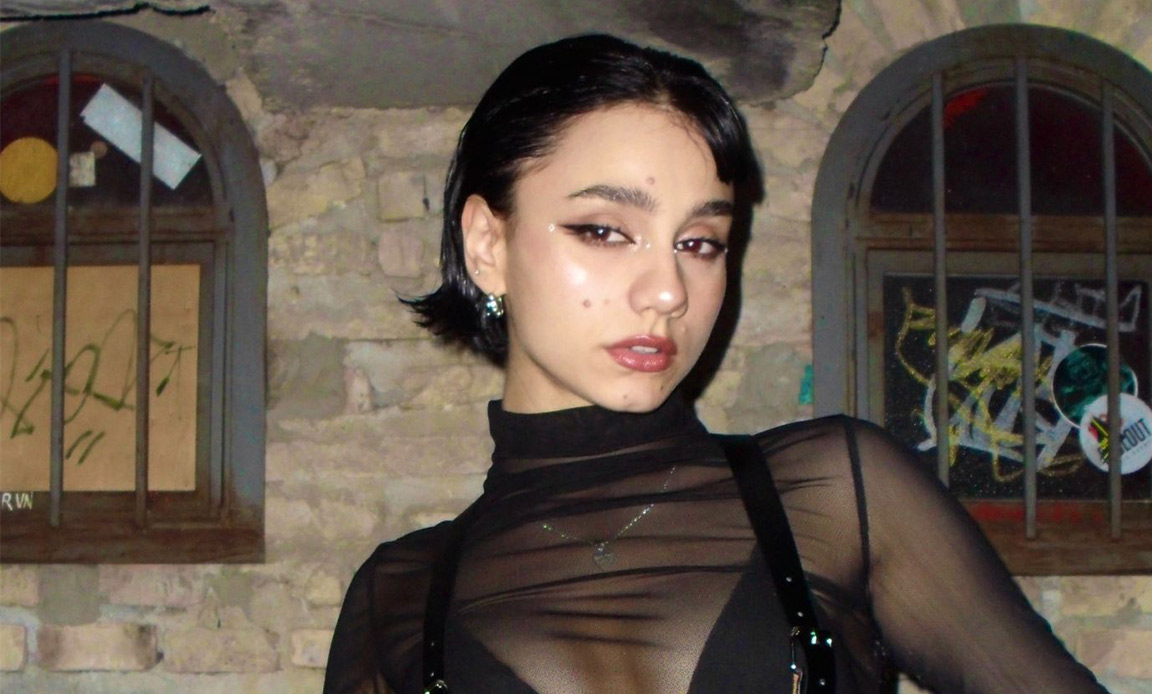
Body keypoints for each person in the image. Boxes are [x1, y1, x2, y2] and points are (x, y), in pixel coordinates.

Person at [323, 34, 1108, 694]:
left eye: (699, 243)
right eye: (604, 231)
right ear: (487, 245)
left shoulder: (833, 493)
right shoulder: (401, 595)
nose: (668, 290)